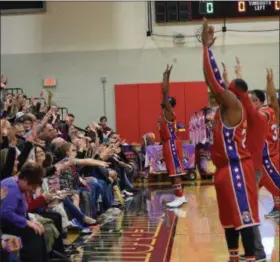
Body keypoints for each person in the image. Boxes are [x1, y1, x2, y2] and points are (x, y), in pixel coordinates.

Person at [202, 18, 259, 261]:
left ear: (233, 93)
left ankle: (251, 258)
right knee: (228, 220)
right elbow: (215, 84)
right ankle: (233, 257)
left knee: (243, 218)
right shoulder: (225, 108)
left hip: (238, 168)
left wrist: (206, 48)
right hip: (224, 170)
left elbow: (214, 84)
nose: (222, 90)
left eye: (228, 87)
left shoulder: (234, 105)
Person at [223, 58, 268, 261]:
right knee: (247, 210)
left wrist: (236, 76)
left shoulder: (255, 117)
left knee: (249, 212)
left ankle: (257, 252)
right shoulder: (261, 116)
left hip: (250, 169)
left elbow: (239, 98)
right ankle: (254, 250)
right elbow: (240, 98)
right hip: (252, 167)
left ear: (258, 102)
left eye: (253, 100)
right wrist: (234, 76)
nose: (250, 102)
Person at [1, 162, 48, 262]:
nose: (33, 191)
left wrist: (31, 220)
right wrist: (26, 222)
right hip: (6, 226)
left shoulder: (19, 186)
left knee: (38, 229)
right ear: (25, 180)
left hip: (14, 223)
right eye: (32, 187)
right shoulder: (11, 188)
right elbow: (6, 213)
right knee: (32, 233)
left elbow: (21, 211)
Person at [158, 65, 187, 208]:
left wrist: (166, 77)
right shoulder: (163, 115)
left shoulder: (169, 112)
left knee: (175, 172)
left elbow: (164, 91)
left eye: (166, 100)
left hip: (172, 143)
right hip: (168, 143)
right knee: (173, 171)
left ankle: (179, 197)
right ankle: (180, 195)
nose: (162, 101)